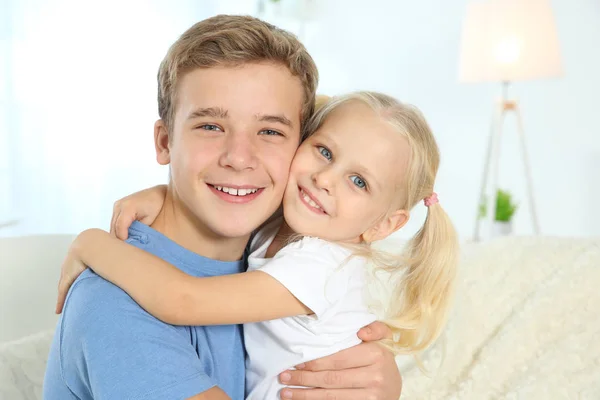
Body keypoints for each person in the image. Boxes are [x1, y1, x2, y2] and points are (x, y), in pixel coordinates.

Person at [43, 15, 402, 400]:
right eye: (210, 126)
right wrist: (92, 242)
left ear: (298, 147)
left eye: (270, 132)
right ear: (165, 143)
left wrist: (380, 380)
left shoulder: (275, 249)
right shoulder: (116, 304)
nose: (239, 158)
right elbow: (179, 298)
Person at [56, 92, 459, 398]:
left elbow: (184, 301)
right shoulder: (284, 227)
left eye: (359, 182)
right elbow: (230, 196)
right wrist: (164, 193)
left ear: (385, 224)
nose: (325, 178)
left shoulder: (322, 264)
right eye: (324, 151)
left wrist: (91, 243)